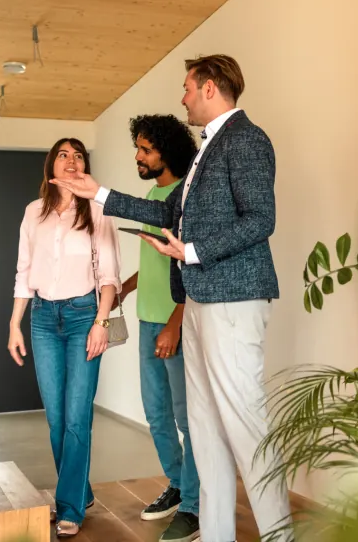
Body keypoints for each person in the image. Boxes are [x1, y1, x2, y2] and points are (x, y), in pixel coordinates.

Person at [52, 55, 292, 542]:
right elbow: (163, 210)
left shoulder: (246, 139)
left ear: (208, 88)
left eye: (186, 88)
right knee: (204, 430)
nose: (181, 97)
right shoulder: (209, 148)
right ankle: (218, 532)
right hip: (203, 300)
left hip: (234, 298)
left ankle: (281, 535)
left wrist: (194, 251)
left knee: (247, 425)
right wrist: (98, 193)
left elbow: (260, 219)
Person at [9, 137, 121, 538]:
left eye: (78, 155)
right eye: (63, 155)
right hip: (42, 320)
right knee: (56, 420)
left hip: (83, 318)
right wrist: (14, 325)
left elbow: (109, 276)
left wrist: (101, 323)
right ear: (51, 167)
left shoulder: (97, 210)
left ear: (84, 166)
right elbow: (23, 273)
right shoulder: (33, 213)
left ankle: (70, 505)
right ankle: (81, 489)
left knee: (77, 417)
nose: (71, 161)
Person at [117, 114, 201, 542]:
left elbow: (191, 265)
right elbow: (155, 261)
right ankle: (178, 484)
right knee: (157, 415)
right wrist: (125, 289)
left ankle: (194, 506)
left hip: (174, 323)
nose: (139, 156)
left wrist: (175, 322)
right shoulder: (154, 193)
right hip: (148, 319)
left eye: (146, 149)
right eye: (139, 148)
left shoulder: (185, 196)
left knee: (187, 417)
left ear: (166, 152)